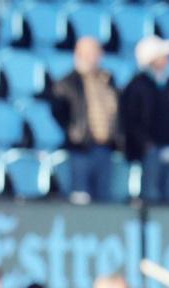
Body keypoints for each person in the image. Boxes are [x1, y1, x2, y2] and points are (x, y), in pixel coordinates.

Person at [51, 37, 120, 202]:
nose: (97, 56)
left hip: (104, 147)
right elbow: (59, 111)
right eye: (92, 52)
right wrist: (74, 132)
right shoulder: (67, 83)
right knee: (80, 197)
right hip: (80, 149)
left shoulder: (106, 79)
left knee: (103, 198)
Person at [121, 37, 169, 204]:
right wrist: (147, 145)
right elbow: (132, 121)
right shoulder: (137, 86)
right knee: (152, 195)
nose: (167, 59)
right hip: (150, 151)